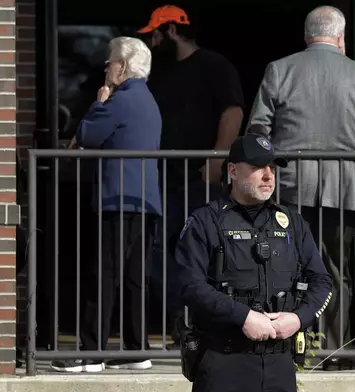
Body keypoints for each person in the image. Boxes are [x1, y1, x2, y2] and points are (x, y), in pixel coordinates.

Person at [246, 5, 355, 370]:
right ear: (342, 37)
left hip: (289, 187)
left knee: (279, 267)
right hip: (345, 191)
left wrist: (265, 178)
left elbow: (257, 132)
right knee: (334, 271)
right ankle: (332, 349)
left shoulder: (280, 70)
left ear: (307, 35)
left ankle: (283, 347)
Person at [172, 134, 333, 392]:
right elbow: (189, 285)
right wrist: (244, 317)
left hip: (279, 365)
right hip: (224, 363)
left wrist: (299, 318)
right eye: (258, 167)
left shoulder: (292, 223)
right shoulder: (205, 222)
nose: (268, 175)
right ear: (233, 171)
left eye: (272, 167)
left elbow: (322, 281)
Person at [51, 37, 162, 373]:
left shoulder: (121, 99)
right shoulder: (147, 99)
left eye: (111, 61)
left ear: (123, 67)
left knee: (103, 275)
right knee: (132, 277)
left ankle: (90, 353)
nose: (105, 67)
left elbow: (86, 136)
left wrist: (99, 102)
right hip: (142, 200)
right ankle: (136, 348)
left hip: (118, 199)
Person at [137, 5, 245, 338]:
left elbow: (233, 113)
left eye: (155, 34)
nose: (152, 42)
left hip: (199, 179)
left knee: (198, 251)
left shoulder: (213, 65)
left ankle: (197, 319)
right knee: (153, 249)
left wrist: (215, 161)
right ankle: (182, 315)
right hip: (161, 179)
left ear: (170, 31)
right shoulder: (159, 73)